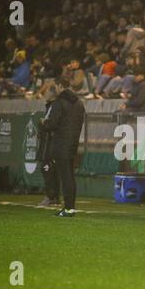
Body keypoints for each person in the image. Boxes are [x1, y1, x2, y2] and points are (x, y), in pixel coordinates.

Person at [40, 78, 85, 217]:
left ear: (60, 86)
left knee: (65, 177)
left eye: (56, 87)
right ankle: (70, 207)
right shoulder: (78, 102)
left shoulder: (59, 102)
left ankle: (68, 208)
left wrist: (42, 123)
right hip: (73, 144)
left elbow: (51, 124)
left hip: (60, 145)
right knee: (70, 176)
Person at [36, 85, 60, 207]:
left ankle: (50, 196)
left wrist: (42, 124)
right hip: (48, 142)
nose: (44, 94)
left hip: (49, 143)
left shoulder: (54, 106)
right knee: (50, 169)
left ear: (52, 93)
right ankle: (54, 197)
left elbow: (50, 123)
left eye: (46, 92)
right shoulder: (50, 106)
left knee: (47, 168)